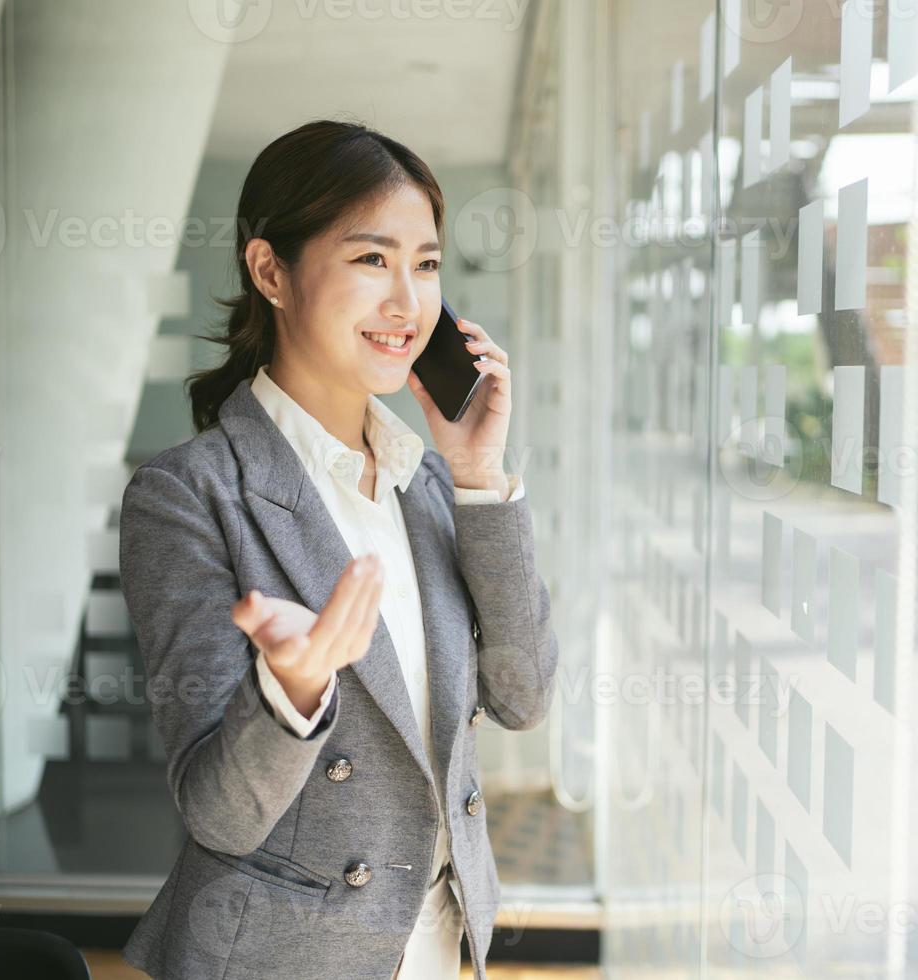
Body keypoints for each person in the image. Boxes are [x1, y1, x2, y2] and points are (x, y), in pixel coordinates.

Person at [116, 119, 558, 979]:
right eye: (370, 260)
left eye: (425, 264)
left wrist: (480, 478)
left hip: (436, 941)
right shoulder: (189, 495)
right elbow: (219, 816)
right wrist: (292, 689)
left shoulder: (429, 486)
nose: (407, 302)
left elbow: (523, 697)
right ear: (270, 271)